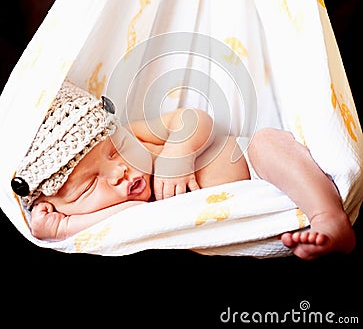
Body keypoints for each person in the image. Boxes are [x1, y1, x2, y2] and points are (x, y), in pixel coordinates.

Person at [11, 79, 356, 260]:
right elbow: (125, 219)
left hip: (257, 169)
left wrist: (177, 152)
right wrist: (62, 227)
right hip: (251, 226)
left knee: (266, 141)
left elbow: (193, 118)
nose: (118, 171)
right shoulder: (119, 216)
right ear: (52, 206)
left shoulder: (135, 135)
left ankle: (329, 217)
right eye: (89, 186)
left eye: (115, 151)